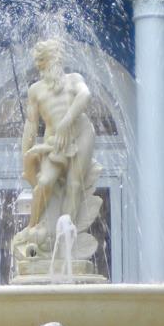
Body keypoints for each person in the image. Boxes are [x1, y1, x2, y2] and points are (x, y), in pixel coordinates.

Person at [17, 38, 100, 247]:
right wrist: (26, 154)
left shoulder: (74, 79)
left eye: (55, 58)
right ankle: (32, 227)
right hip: (54, 142)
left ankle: (64, 241)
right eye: (45, 60)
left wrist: (66, 122)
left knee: (74, 184)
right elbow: (31, 124)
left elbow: (85, 94)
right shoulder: (36, 90)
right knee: (45, 182)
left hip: (81, 133)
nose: (54, 62)